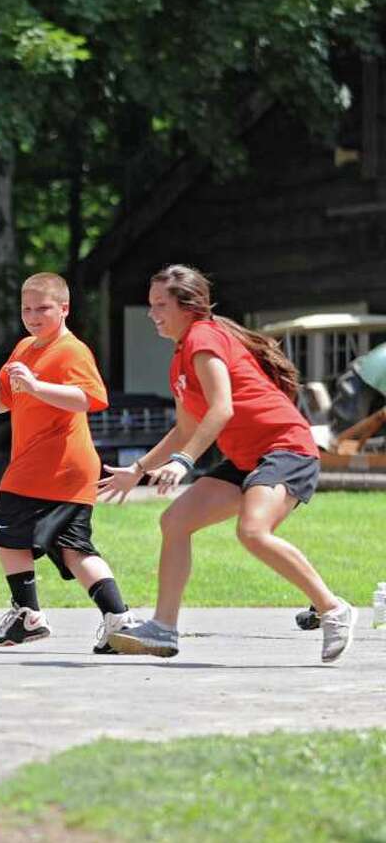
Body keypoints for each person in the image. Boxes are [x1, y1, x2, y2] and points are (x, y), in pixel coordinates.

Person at [98, 264, 356, 663]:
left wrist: (184, 462)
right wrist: (139, 469)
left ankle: (334, 610)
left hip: (286, 446)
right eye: (151, 305)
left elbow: (221, 409)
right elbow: (186, 428)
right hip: (248, 457)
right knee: (175, 521)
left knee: (253, 531)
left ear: (189, 306)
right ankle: (164, 628)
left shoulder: (204, 337)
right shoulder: (180, 356)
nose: (153, 314)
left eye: (160, 305)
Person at [0, 272, 140, 652]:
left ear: (64, 308)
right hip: (64, 469)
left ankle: (27, 615)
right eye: (27, 308)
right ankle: (119, 620)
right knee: (74, 549)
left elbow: (90, 397)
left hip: (51, 464)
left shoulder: (71, 350)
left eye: (43, 308)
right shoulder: (25, 348)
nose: (33, 316)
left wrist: (39, 387)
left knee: (4, 530)